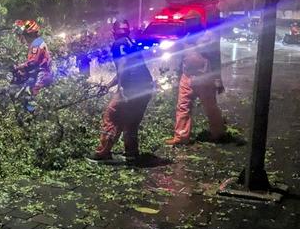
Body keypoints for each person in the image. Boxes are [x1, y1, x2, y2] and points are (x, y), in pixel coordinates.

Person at [87, 20, 154, 164]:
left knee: (111, 115)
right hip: (146, 87)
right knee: (131, 121)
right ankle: (131, 154)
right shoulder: (130, 42)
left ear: (113, 33)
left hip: (130, 88)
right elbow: (127, 69)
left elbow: (123, 65)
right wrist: (109, 85)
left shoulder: (117, 44)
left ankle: (103, 152)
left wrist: (121, 88)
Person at [165, 25, 225, 145]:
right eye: (188, 22)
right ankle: (181, 137)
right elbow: (180, 56)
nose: (190, 23)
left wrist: (218, 80)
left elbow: (215, 57)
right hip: (187, 77)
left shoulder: (208, 36)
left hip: (204, 77)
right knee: (183, 106)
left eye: (192, 21)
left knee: (210, 107)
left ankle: (218, 134)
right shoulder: (186, 37)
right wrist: (178, 75)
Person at [14, 20, 53, 111]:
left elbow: (33, 62)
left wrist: (20, 66)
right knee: (25, 86)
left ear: (32, 34)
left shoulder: (36, 44)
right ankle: (27, 110)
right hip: (37, 71)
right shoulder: (36, 43)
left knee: (35, 93)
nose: (25, 37)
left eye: (26, 35)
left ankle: (35, 114)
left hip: (42, 73)